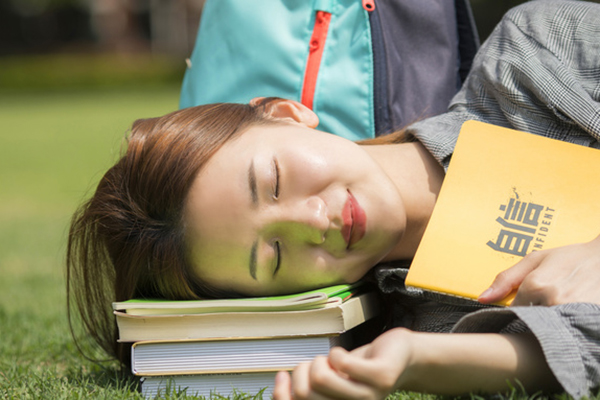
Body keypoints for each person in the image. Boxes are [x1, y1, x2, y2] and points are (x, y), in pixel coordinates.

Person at [66, 0, 600, 398]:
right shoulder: (436, 320)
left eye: (273, 182)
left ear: (285, 112)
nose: (312, 221)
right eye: (273, 255)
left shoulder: (532, 57)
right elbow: (575, 349)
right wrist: (413, 359)